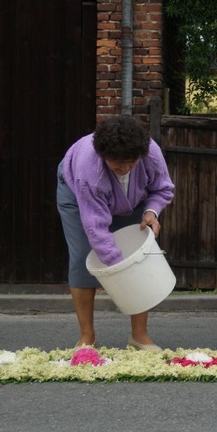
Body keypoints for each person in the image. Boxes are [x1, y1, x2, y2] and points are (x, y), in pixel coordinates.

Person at [57, 116, 174, 350]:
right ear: (102, 156)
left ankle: (139, 336)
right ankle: (87, 337)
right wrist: (119, 267)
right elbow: (96, 226)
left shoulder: (150, 153)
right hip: (78, 197)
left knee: (138, 256)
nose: (124, 169)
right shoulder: (88, 171)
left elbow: (162, 188)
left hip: (134, 198)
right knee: (82, 257)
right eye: (116, 165)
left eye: (130, 163)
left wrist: (152, 211)